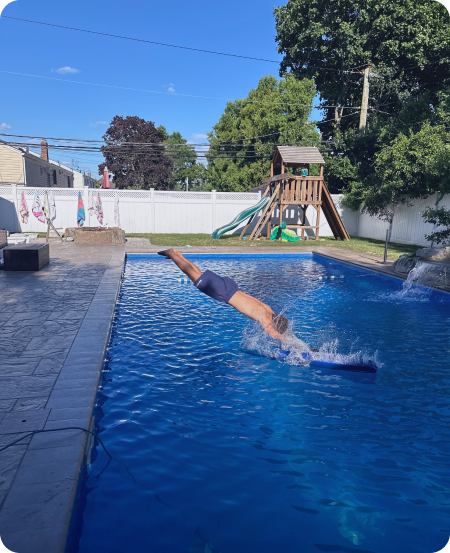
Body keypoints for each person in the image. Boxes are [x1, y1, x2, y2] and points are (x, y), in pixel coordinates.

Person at [158, 248, 292, 342]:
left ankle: (180, 256)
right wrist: (301, 348)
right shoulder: (266, 321)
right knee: (195, 277)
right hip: (224, 293)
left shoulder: (269, 311)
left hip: (231, 286)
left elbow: (280, 330)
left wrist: (286, 333)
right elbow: (276, 335)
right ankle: (173, 255)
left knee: (199, 276)